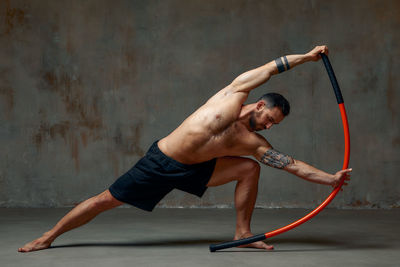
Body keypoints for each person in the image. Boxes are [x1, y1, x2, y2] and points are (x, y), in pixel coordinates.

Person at [19, 45, 351, 252]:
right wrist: (307, 57)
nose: (267, 127)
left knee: (251, 167)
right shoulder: (231, 96)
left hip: (198, 168)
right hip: (161, 161)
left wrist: (330, 179)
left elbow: (290, 164)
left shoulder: (253, 142)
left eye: (273, 127)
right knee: (105, 200)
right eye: (269, 120)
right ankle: (49, 236)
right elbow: (269, 68)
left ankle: (242, 233)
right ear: (260, 105)